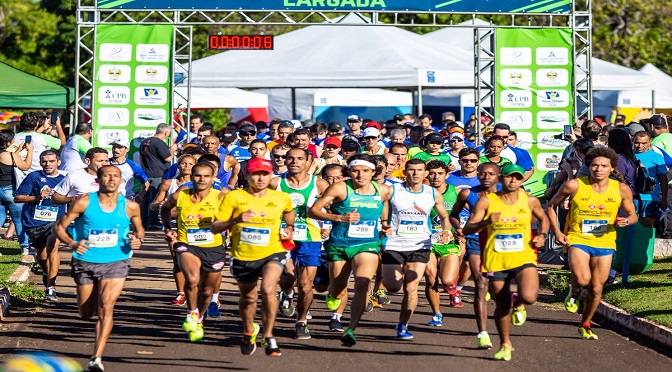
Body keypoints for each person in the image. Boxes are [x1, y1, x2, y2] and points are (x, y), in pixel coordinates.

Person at [53, 165, 144, 372]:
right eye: (106, 176)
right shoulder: (84, 202)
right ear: (98, 179)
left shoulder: (130, 206)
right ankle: (90, 310)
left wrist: (137, 239)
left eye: (115, 176)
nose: (111, 179)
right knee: (87, 312)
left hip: (116, 261)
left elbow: (139, 231)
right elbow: (59, 227)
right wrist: (72, 243)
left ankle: (96, 358)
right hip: (86, 261)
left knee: (107, 306)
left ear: (121, 180)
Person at [547, 147, 637, 340]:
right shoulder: (575, 185)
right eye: (594, 165)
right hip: (578, 237)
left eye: (604, 166)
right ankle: (575, 291)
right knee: (582, 279)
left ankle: (586, 323)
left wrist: (626, 221)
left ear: (612, 168)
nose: (599, 169)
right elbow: (552, 205)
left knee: (597, 287)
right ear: (588, 166)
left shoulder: (621, 189)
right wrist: (557, 231)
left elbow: (633, 215)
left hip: (605, 240)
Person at [464, 163, 549, 361]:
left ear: (522, 180)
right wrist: (486, 222)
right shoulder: (487, 202)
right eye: (509, 177)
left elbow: (543, 219)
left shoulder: (529, 201)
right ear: (501, 178)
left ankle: (518, 302)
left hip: (524, 256)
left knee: (529, 297)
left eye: (518, 178)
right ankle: (505, 343)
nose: (513, 181)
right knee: (501, 304)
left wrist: (542, 235)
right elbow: (468, 228)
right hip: (496, 259)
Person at [212, 157, 295, 356]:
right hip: (243, 254)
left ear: (270, 176)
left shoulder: (281, 197)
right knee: (248, 298)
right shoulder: (234, 197)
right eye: (256, 174)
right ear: (247, 175)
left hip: (273, 251)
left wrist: (289, 228)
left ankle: (268, 336)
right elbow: (215, 226)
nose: (260, 178)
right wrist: (236, 220)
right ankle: (249, 330)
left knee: (268, 288)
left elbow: (289, 213)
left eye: (265, 174)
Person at [308, 154, 392, 347]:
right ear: (349, 172)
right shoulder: (340, 188)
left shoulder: (384, 190)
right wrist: (339, 218)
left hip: (367, 244)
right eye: (355, 171)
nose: (360, 175)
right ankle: (333, 292)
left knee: (362, 283)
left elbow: (384, 204)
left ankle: (351, 328)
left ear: (373, 172)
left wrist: (385, 224)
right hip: (340, 243)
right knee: (338, 291)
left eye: (365, 171)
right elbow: (313, 211)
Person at [382, 158, 453, 339]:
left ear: (425, 173)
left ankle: (403, 325)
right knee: (392, 286)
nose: (415, 173)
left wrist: (446, 231)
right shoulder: (393, 190)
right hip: (394, 244)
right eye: (411, 170)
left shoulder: (432, 193)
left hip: (420, 244)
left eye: (419, 170)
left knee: (411, 287)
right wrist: (383, 224)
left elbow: (445, 216)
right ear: (405, 172)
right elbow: (380, 205)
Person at [161, 162, 228, 342]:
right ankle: (191, 312)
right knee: (192, 279)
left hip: (213, 247)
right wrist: (168, 228)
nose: (202, 179)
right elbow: (165, 209)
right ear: (191, 177)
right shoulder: (180, 195)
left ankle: (200, 315)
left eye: (206, 176)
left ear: (213, 178)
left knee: (206, 291)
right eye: (198, 175)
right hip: (186, 243)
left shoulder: (221, 196)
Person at [270, 148, 329, 339]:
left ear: (308, 162)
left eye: (300, 159)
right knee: (288, 276)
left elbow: (331, 206)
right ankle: (286, 294)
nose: (295, 162)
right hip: (281, 238)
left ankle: (301, 321)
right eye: (291, 158)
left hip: (310, 238)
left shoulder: (319, 184)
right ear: (285, 161)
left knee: (305, 285)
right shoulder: (275, 183)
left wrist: (327, 224)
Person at [449, 162, 500, 349]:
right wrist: (459, 228)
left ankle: (511, 302)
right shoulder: (467, 193)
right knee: (481, 282)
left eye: (490, 174)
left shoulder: (508, 192)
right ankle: (483, 332)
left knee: (496, 287)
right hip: (475, 240)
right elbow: (453, 214)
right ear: (477, 175)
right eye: (483, 174)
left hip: (500, 243)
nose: (486, 177)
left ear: (498, 176)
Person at [14, 150, 66, 300]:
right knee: (42, 256)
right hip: (35, 222)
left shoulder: (65, 179)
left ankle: (51, 287)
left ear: (58, 162)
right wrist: (38, 197)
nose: (48, 164)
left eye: (51, 161)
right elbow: (18, 198)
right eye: (44, 161)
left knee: (53, 248)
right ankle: (45, 271)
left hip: (56, 221)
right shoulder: (34, 176)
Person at [151, 154, 196, 306]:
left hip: (194, 226)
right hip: (174, 226)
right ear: (178, 165)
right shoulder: (169, 183)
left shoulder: (199, 183)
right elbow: (153, 204)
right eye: (184, 163)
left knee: (199, 260)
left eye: (190, 164)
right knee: (177, 259)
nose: (187, 166)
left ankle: (203, 290)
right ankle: (181, 293)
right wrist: (159, 205)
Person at [424, 160, 462, 327]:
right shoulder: (421, 193)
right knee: (431, 278)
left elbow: (473, 212)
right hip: (426, 241)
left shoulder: (457, 192)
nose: (435, 177)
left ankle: (453, 281)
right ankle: (436, 313)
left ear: (447, 175)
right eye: (432, 173)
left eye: (440, 173)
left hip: (449, 241)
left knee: (447, 280)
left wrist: (462, 231)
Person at [0, 130, 33, 255]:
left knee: (0, 218)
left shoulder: (6, 154)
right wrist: (30, 150)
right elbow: (26, 166)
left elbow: (6, 161)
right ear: (8, 142)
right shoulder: (8, 155)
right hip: (9, 190)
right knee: (19, 218)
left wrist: (17, 151)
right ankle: (25, 247)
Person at [139, 123, 178, 230]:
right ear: (167, 132)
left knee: (145, 199)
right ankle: (153, 222)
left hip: (146, 174)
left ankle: (143, 222)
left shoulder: (144, 141)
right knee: (155, 199)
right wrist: (173, 149)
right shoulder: (159, 143)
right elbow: (168, 158)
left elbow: (141, 158)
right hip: (158, 175)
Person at [13, 112, 66, 183]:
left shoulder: (14, 137)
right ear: (37, 124)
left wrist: (43, 127)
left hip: (18, 175)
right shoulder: (42, 137)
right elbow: (62, 143)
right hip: (38, 174)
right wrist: (58, 125)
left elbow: (32, 135)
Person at [633, 131, 668, 227]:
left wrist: (664, 199)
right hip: (631, 196)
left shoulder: (657, 157)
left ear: (650, 142)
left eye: (643, 143)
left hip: (649, 197)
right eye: (637, 142)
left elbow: (663, 179)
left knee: (646, 225)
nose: (639, 146)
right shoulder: (628, 155)